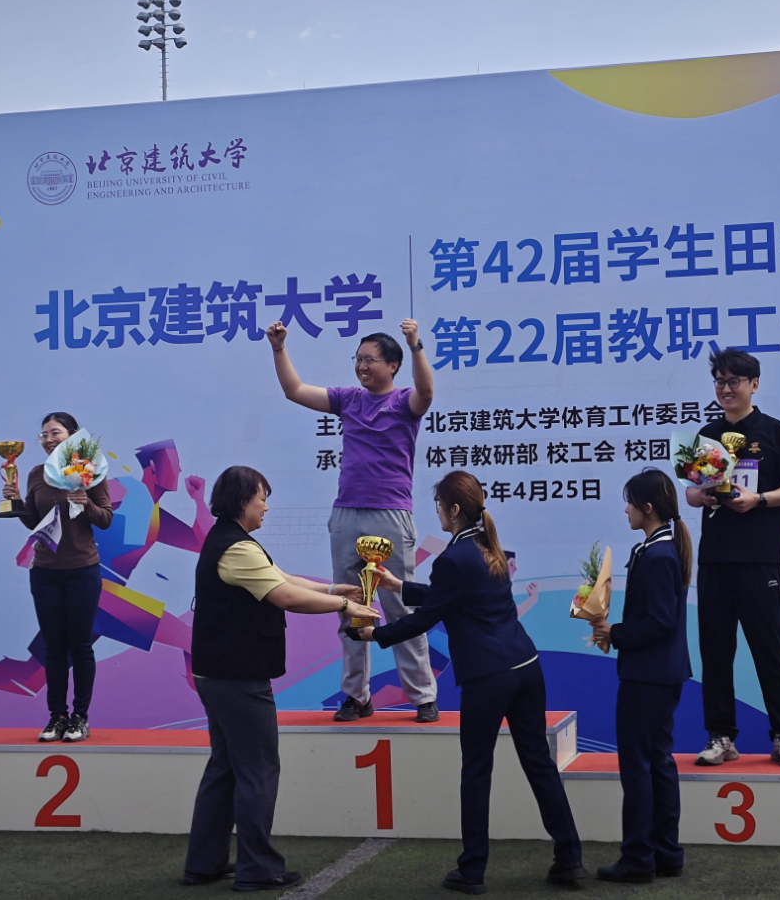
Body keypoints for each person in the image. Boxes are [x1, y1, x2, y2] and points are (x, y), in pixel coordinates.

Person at [351, 471, 585, 894]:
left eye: (440, 505)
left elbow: (427, 617)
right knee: (539, 763)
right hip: (526, 666)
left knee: (477, 771)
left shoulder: (453, 558)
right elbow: (452, 595)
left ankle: (472, 871)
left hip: (487, 677)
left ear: (454, 509)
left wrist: (374, 634)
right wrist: (399, 585)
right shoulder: (487, 546)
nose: (438, 512)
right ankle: (570, 858)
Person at [183, 466, 380, 892]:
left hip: (218, 673)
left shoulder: (229, 541)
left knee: (225, 768)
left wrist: (333, 590)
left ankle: (204, 863)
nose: (266, 507)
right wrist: (345, 607)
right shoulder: (237, 548)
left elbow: (282, 577)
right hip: (238, 677)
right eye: (262, 498)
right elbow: (285, 595)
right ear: (242, 501)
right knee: (258, 769)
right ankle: (258, 869)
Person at [267, 317, 440, 723]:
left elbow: (427, 392)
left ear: (393, 365)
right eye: (358, 359)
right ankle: (356, 697)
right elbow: (295, 390)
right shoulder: (349, 399)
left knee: (398, 606)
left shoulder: (404, 402)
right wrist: (278, 348)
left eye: (370, 360)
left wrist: (415, 345)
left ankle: (422, 696)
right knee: (350, 605)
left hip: (390, 514)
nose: (362, 366)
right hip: (347, 514)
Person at [686, 349, 780, 768]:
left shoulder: (774, 432)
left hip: (761, 558)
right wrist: (703, 495)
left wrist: (759, 500)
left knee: (769, 650)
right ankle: (721, 736)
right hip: (715, 559)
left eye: (733, 381)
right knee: (715, 652)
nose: (725, 389)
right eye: (719, 381)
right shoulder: (708, 435)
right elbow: (692, 492)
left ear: (754, 384)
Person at [591, 469, 693, 882]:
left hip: (647, 676)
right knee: (658, 762)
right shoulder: (659, 548)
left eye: (630, 503)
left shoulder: (657, 555)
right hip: (662, 673)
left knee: (638, 766)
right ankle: (665, 852)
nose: (626, 510)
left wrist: (614, 634)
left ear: (648, 508)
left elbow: (660, 622)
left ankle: (638, 857)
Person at [3, 412, 112, 744]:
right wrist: (15, 500)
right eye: (44, 435)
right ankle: (57, 717)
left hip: (82, 570)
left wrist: (85, 503)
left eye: (56, 433)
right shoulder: (37, 474)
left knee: (80, 646)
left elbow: (105, 518)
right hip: (45, 572)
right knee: (53, 648)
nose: (49, 440)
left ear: (73, 435)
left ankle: (80, 717)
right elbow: (34, 521)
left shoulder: (89, 470)